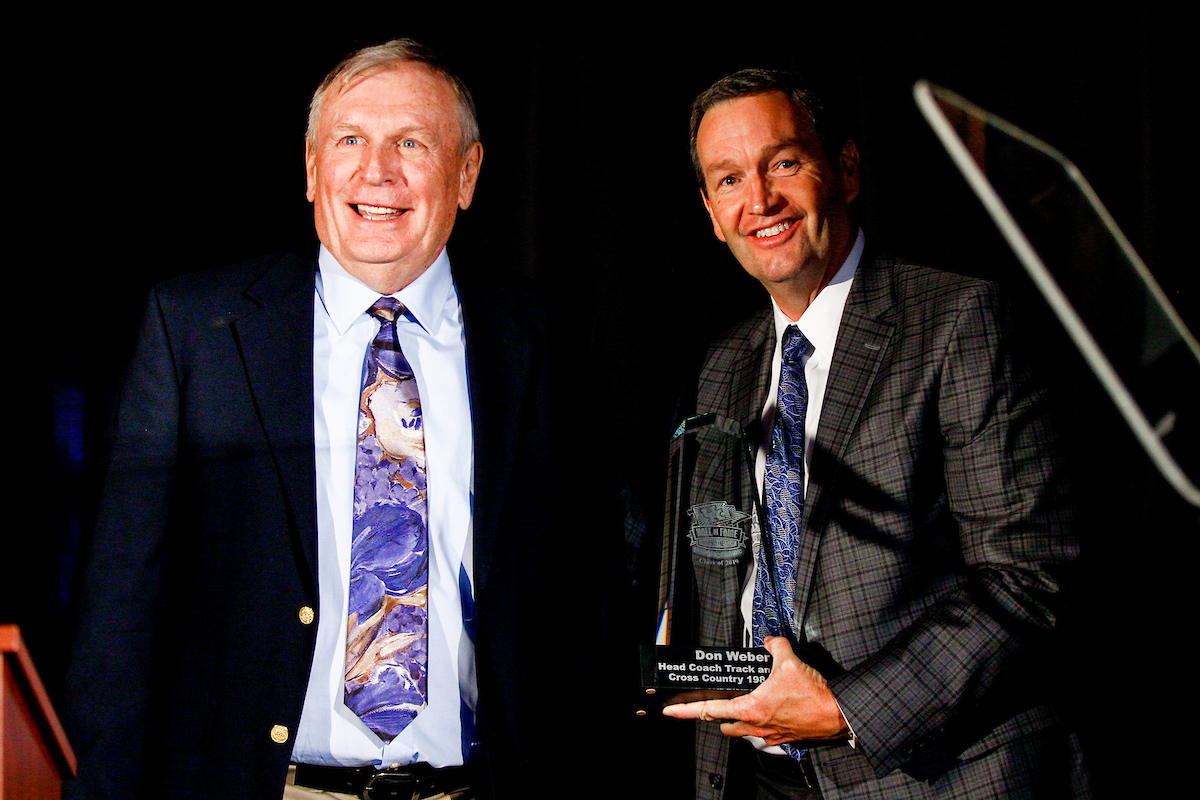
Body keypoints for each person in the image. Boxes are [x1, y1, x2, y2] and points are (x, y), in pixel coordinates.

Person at [63, 39, 597, 800]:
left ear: (467, 173)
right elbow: (121, 611)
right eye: (350, 140)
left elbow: (587, 599)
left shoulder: (545, 343)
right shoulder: (196, 333)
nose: (376, 171)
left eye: (410, 142)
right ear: (312, 168)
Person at [659, 69, 1088, 799]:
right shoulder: (726, 365)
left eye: (784, 163)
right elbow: (719, 559)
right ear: (710, 211)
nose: (758, 200)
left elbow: (1031, 576)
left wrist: (841, 708)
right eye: (728, 179)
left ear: (846, 170)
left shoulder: (957, 320)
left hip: (933, 777)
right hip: (754, 776)